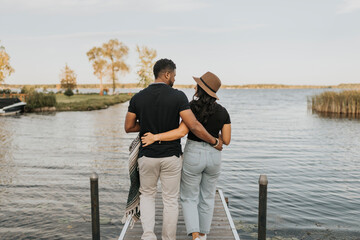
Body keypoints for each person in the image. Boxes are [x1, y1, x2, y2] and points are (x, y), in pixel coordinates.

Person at [124, 59, 222, 240]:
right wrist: (214, 142)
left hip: (147, 156)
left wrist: (146, 125)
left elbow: (129, 127)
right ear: (167, 74)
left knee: (147, 196)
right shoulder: (178, 97)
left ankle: (148, 235)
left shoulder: (138, 97)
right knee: (170, 200)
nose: (175, 79)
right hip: (171, 157)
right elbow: (193, 125)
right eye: (174, 76)